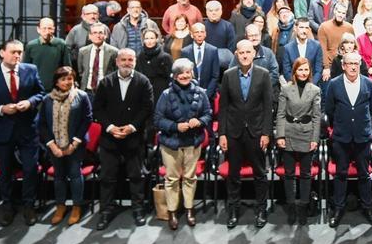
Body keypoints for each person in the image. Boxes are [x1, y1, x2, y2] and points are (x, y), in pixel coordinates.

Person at [0, 40, 45, 226]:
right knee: (5, 172)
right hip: (1, 129)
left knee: (30, 169)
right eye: (13, 52)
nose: (17, 56)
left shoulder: (30, 69)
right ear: (2, 53)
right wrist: (0, 109)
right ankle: (8, 207)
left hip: (27, 129)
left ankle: (28, 206)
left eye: (20, 52)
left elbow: (41, 93)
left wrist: (30, 102)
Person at [90, 48, 154, 230]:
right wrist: (110, 128)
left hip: (134, 138)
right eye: (123, 59)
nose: (127, 62)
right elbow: (98, 109)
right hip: (110, 139)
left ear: (135, 61)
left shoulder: (143, 82)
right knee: (107, 177)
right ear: (117, 62)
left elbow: (147, 108)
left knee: (136, 176)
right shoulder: (105, 82)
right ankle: (105, 212)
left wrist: (131, 127)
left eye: (130, 59)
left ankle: (138, 210)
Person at [219, 40, 275, 229]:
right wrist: (222, 134)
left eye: (248, 52)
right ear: (236, 54)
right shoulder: (228, 75)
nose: (244, 55)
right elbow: (224, 108)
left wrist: (266, 133)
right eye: (241, 52)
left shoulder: (263, 74)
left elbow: (268, 107)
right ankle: (233, 208)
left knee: (260, 173)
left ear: (254, 54)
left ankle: (261, 209)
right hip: (233, 132)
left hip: (256, 132)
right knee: (233, 174)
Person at [153, 58, 212, 230]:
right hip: (171, 144)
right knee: (171, 179)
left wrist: (199, 121)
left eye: (188, 72)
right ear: (175, 76)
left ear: (192, 73)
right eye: (181, 73)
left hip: (193, 142)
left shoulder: (201, 92)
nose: (185, 76)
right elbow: (158, 120)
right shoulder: (165, 94)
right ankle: (171, 211)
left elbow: (208, 114)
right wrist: (175, 126)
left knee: (190, 178)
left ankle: (189, 209)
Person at [323, 51, 372, 227]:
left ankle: (368, 208)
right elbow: (330, 110)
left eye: (356, 63)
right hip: (341, 137)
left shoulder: (368, 83)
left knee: (364, 174)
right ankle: (338, 208)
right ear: (343, 65)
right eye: (350, 63)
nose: (354, 67)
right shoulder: (334, 84)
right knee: (341, 174)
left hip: (362, 136)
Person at [37, 66, 93, 227]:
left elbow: (87, 120)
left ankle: (77, 206)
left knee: (75, 174)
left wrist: (74, 143)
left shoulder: (81, 96)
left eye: (70, 78)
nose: (67, 82)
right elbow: (42, 125)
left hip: (76, 144)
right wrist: (52, 145)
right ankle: (60, 206)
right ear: (56, 82)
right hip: (55, 146)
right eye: (63, 79)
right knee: (59, 176)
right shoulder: (48, 99)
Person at [276, 57, 322, 225]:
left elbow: (317, 116)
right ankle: (291, 208)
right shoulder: (286, 89)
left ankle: (303, 207)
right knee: (288, 174)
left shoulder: (315, 90)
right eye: (300, 70)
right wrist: (279, 136)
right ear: (294, 71)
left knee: (305, 174)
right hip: (288, 132)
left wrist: (314, 139)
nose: (303, 73)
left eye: (306, 70)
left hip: (307, 133)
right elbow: (280, 114)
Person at [24, 17, 72, 94]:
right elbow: (26, 69)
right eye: (44, 28)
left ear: (54, 29)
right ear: (38, 29)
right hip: (36, 90)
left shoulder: (61, 44)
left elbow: (67, 67)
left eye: (50, 28)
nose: (47, 31)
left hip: (56, 89)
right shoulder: (31, 45)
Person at [181, 22, 220, 102]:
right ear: (191, 34)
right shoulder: (185, 52)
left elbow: (215, 76)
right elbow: (183, 74)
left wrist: (207, 95)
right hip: (190, 95)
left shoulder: (213, 50)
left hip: (209, 96)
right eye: (196, 32)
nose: (199, 34)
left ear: (205, 34)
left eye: (202, 32)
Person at [280, 17, 323, 84]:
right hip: (294, 87)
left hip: (312, 88)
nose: (304, 31)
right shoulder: (287, 48)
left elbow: (318, 70)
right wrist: (295, 85)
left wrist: (311, 85)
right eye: (301, 27)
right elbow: (287, 71)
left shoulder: (317, 46)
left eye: (306, 28)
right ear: (295, 28)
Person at [318, 2, 356, 77]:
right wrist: (326, 67)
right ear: (334, 11)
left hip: (346, 63)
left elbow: (354, 47)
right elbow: (322, 49)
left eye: (343, 13)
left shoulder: (349, 27)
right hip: (330, 65)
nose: (340, 15)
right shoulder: (324, 27)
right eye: (339, 12)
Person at [78, 23, 118, 93]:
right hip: (87, 91)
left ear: (105, 36)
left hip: (106, 91)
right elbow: (81, 71)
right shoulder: (82, 51)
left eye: (100, 33)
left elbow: (116, 72)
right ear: (90, 36)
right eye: (94, 33)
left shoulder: (114, 52)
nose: (97, 35)